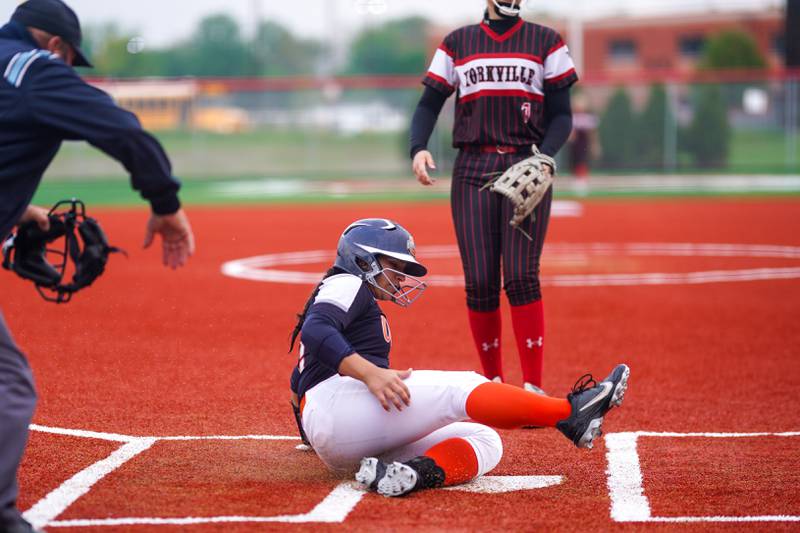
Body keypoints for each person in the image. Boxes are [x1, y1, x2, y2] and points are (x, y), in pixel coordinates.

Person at [0, 1, 195, 531]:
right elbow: (125, 130)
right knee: (9, 382)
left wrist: (18, 214)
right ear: (57, 45)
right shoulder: (33, 68)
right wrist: (165, 204)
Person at [289, 218, 629, 497]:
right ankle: (570, 413)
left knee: (484, 439)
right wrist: (369, 374)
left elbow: (298, 381)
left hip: (339, 430)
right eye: (394, 265)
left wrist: (314, 435)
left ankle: (414, 475)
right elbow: (316, 332)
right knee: (463, 386)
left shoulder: (350, 295)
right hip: (340, 411)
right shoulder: (346, 282)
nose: (400, 276)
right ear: (363, 260)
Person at [409, 0, 577, 394]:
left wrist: (545, 158)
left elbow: (563, 115)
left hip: (527, 163)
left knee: (520, 277)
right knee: (481, 282)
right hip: (472, 167)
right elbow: (429, 103)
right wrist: (418, 147)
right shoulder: (458, 43)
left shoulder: (546, 41)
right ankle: (492, 384)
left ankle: (532, 386)